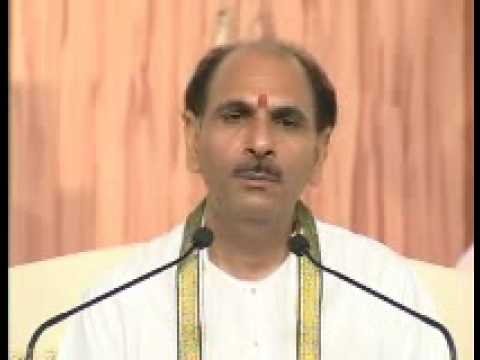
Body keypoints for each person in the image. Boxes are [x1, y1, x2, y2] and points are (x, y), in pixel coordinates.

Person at [58, 39, 447, 359]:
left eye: (287, 121)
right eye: (235, 116)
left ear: (320, 150)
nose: (260, 144)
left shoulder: (385, 291)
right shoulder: (120, 303)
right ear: (193, 139)